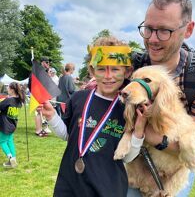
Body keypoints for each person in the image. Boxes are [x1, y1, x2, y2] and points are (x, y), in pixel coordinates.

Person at [39, 36, 149, 197]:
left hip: (108, 188)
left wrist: (139, 131)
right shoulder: (78, 98)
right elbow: (69, 136)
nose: (108, 76)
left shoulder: (129, 107)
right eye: (101, 69)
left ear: (127, 72)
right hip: (69, 184)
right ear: (91, 71)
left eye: (115, 69)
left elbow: (127, 158)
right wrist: (51, 116)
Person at [127, 0, 195, 196]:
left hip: (176, 168)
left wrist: (151, 136)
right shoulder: (132, 66)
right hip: (135, 161)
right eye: (148, 28)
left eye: (164, 31)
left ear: (188, 29)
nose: (152, 39)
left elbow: (192, 145)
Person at [0, 82, 26, 168]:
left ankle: (11, 158)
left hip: (4, 126)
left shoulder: (8, 100)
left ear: (12, 90)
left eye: (8, 87)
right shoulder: (19, 101)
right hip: (12, 125)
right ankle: (13, 158)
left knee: (2, 142)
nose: (7, 89)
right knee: (10, 141)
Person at [28, 56, 50, 137]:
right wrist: (34, 92)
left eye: (48, 62)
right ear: (43, 62)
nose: (48, 64)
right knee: (38, 112)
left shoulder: (43, 71)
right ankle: (38, 130)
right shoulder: (37, 70)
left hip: (41, 93)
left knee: (41, 112)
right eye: (47, 62)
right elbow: (31, 82)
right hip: (37, 93)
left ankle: (41, 129)